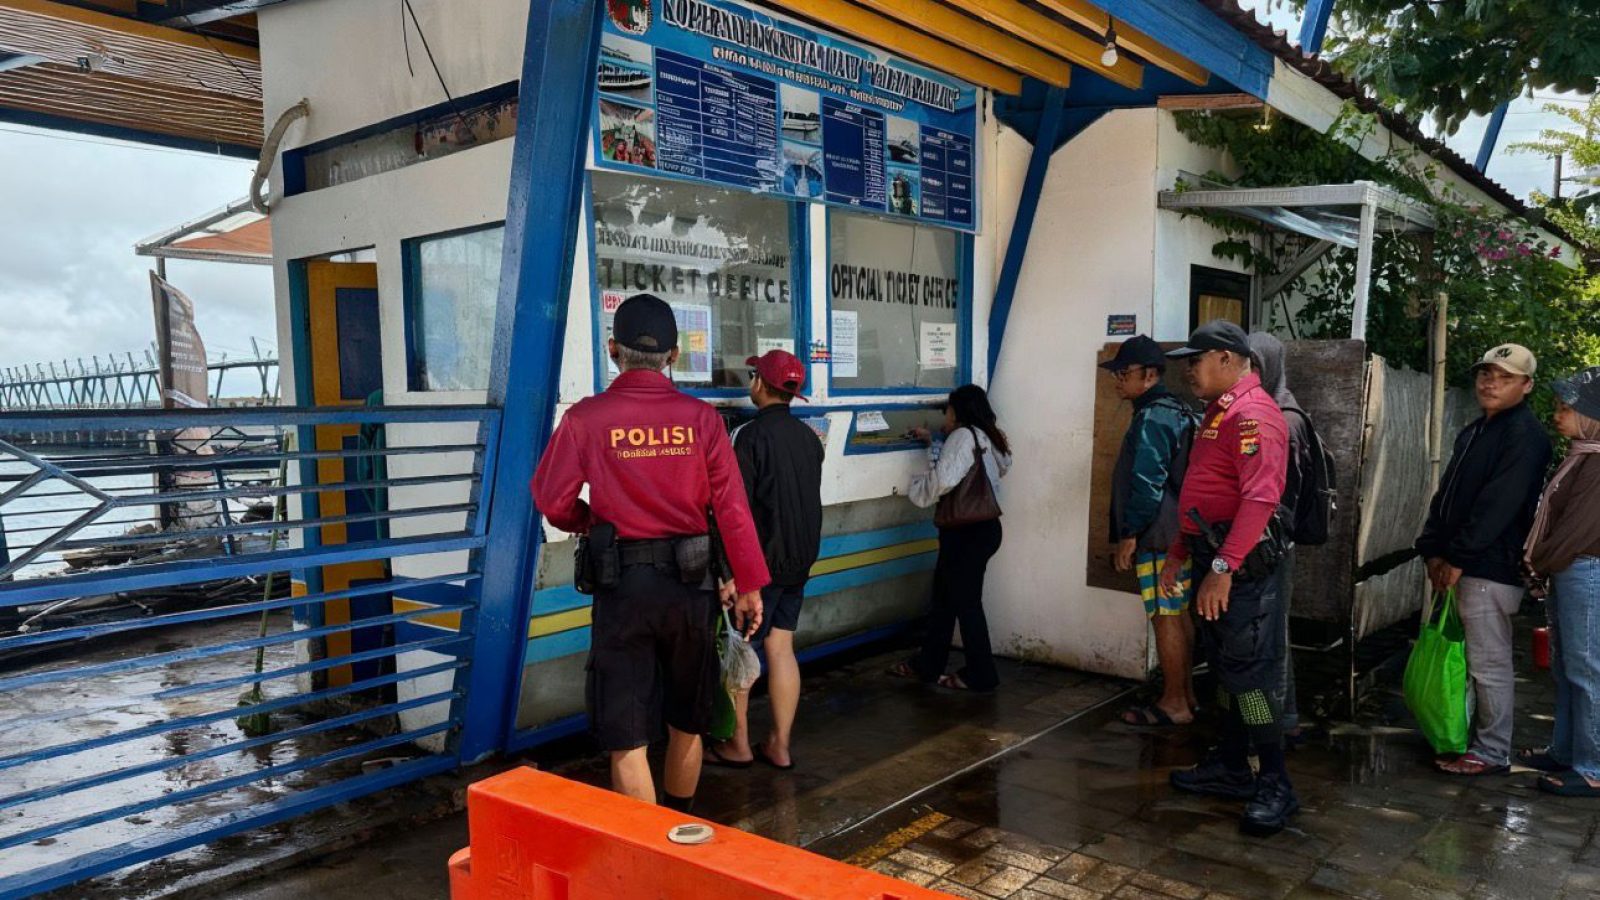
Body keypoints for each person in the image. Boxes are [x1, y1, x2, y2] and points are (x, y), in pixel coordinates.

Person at [530, 293, 769, 812]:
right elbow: (732, 509)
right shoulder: (702, 419)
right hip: (692, 587)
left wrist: (588, 521)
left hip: (623, 588)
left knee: (628, 734)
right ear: (673, 356)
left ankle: (644, 858)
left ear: (613, 349)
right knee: (688, 720)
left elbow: (551, 500)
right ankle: (677, 836)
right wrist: (748, 585)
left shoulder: (586, 419)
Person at [1159, 320, 1295, 836]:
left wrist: (1221, 569)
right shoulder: (1220, 411)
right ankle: (1233, 767)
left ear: (1225, 358)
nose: (1189, 371)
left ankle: (1276, 782)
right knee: (1226, 671)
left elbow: (1260, 499)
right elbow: (1202, 494)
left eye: (1195, 360)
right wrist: (1178, 552)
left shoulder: (1255, 415)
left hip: (1239, 572)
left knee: (1251, 678)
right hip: (1210, 558)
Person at [1417, 343, 1552, 777]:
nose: (1490, 382)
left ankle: (1492, 750)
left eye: (1505, 376)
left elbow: (1499, 505)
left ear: (1527, 386)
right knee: (1468, 659)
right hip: (1460, 562)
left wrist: (1456, 556)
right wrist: (1433, 547)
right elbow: (1448, 496)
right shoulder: (1475, 430)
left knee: (1489, 663)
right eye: (1486, 373)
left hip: (1488, 566)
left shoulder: (1526, 437)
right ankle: (1463, 737)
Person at [706, 349, 824, 772]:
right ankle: (780, 745)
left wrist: (732, 573)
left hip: (759, 568)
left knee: (741, 652)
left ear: (759, 383)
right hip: (799, 562)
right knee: (781, 649)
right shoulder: (810, 437)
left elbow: (732, 509)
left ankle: (738, 746)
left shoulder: (748, 437)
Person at [1100, 335, 1197, 727]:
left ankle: (1174, 702)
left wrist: (1130, 533)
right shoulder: (1177, 410)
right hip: (1178, 531)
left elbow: (1147, 481)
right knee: (1179, 612)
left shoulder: (1155, 416)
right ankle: (1186, 694)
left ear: (1150, 375)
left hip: (1158, 534)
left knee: (1165, 616)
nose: (1118, 380)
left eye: (1125, 373)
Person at [890, 385, 1012, 692]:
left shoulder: (962, 436)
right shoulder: (988, 435)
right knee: (945, 598)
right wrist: (934, 442)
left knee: (965, 603)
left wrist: (916, 491)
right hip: (985, 529)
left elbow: (943, 480)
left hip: (965, 533)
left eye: (947, 410)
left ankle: (982, 673)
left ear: (957, 411)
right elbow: (998, 466)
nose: (945, 415)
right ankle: (928, 664)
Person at [1520, 367, 1600, 795]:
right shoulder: (1583, 454)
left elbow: (1576, 532)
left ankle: (1593, 767)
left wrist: (1539, 561)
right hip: (1573, 570)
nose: (1557, 416)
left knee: (1587, 670)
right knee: (1570, 668)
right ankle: (1567, 750)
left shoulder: (1597, 460)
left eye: (1566, 409)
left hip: (1584, 570)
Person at [1247, 332, 1309, 739]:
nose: (1245, 375)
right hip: (1259, 545)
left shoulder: (1282, 419)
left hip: (1269, 546)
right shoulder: (1267, 409)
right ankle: (1278, 722)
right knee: (1264, 639)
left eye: (1253, 366)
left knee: (1267, 643)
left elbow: (1268, 493)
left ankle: (1269, 732)